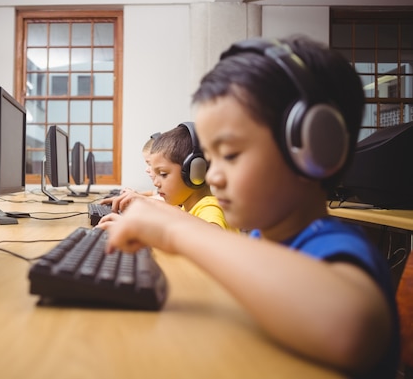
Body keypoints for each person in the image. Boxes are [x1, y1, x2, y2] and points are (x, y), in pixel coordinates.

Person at [98, 36, 400, 378]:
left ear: (314, 148)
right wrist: (156, 217)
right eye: (209, 160)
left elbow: (350, 327)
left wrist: (174, 231)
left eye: (230, 155)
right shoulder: (262, 235)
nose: (212, 175)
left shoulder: (336, 248)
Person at [103, 123, 233, 230]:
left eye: (163, 174)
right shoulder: (186, 208)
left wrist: (148, 204)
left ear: (195, 172)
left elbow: (215, 235)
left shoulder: (209, 207)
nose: (156, 183)